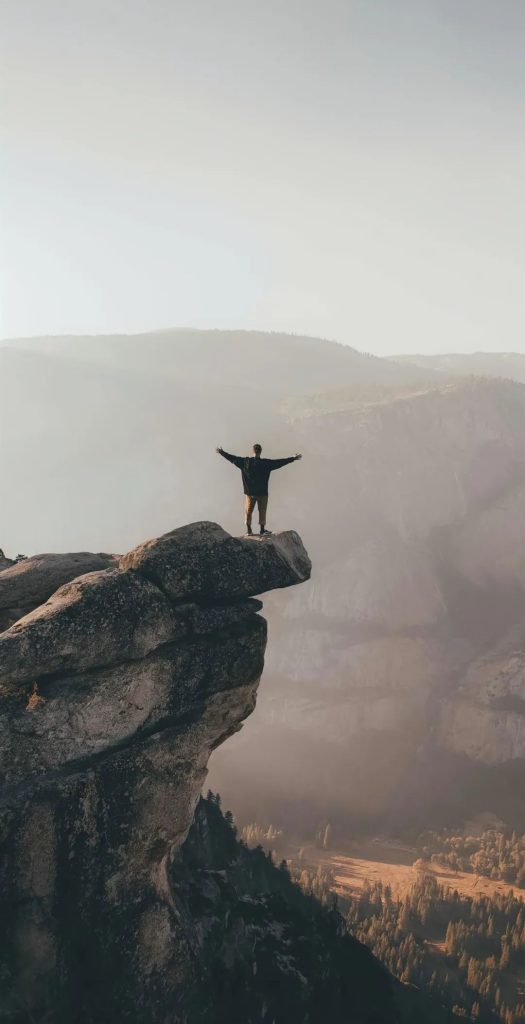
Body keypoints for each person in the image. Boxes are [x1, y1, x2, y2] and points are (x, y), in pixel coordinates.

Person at [216, 443, 302, 536]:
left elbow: (232, 458)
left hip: (250, 493)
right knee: (262, 510)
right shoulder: (266, 463)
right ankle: (262, 530)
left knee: (248, 511)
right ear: (260, 451)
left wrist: (221, 452)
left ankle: (249, 531)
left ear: (253, 451)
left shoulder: (245, 462)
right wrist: (293, 458)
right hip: (262, 493)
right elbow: (279, 462)